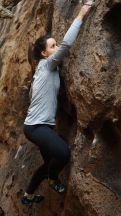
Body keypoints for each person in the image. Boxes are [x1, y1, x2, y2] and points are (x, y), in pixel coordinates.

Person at [21, 0, 95, 205]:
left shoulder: (42, 68)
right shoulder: (47, 65)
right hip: (36, 127)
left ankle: (28, 196)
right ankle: (53, 180)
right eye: (52, 46)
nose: (56, 47)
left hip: (37, 126)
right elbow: (67, 45)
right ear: (45, 53)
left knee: (47, 165)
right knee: (62, 154)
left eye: (55, 44)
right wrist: (81, 14)